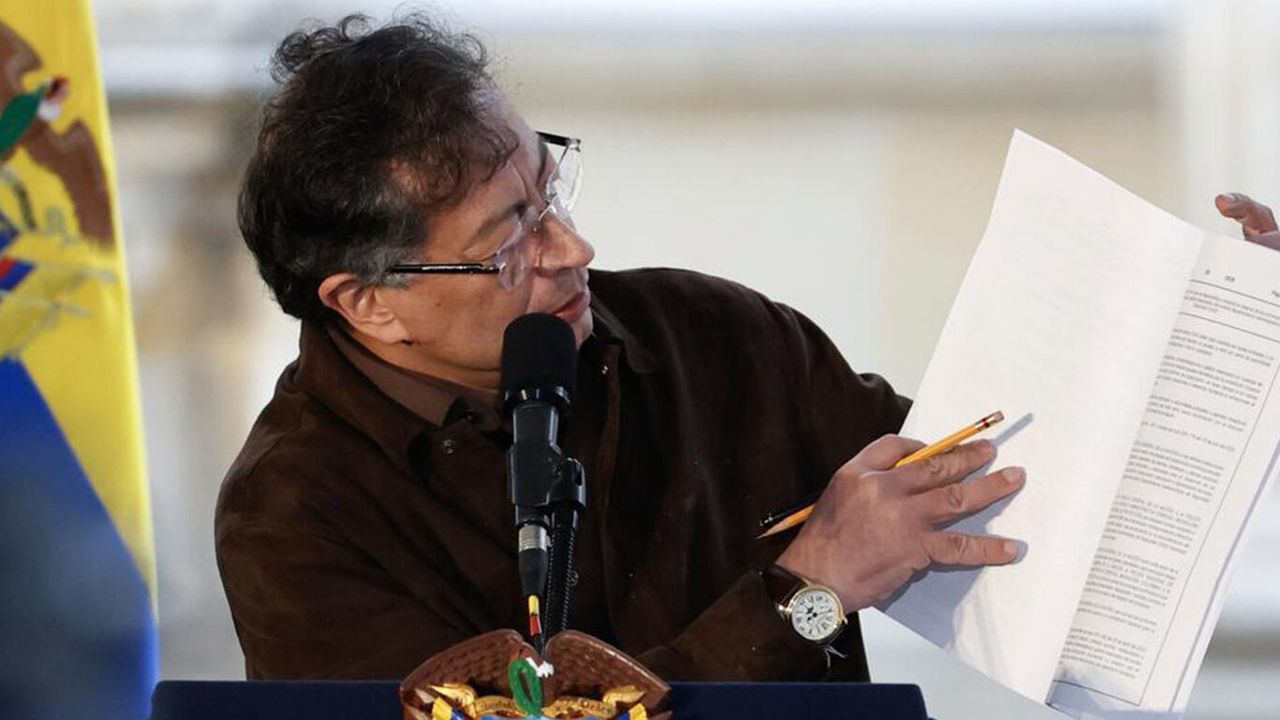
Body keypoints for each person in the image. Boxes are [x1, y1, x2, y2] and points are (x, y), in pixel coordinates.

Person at [215, 13, 1279, 682]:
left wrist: (1229, 332)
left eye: (551, 190)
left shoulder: (709, 335)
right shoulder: (295, 513)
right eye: (510, 243)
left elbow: (988, 492)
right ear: (371, 303)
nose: (574, 250)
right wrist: (806, 594)